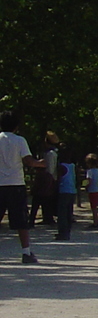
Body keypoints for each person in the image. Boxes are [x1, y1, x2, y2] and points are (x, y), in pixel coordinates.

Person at [0, 111, 41, 264]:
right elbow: (28, 161)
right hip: (16, 183)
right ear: (16, 126)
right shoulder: (20, 141)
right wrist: (40, 163)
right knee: (21, 220)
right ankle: (26, 252)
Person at [53, 150, 76, 240]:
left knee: (62, 213)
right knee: (69, 213)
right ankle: (68, 231)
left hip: (63, 191)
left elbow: (58, 179)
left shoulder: (61, 167)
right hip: (72, 191)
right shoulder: (73, 166)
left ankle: (62, 232)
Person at [83, 153, 98, 229]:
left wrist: (86, 187)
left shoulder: (90, 171)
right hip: (97, 190)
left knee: (93, 207)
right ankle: (96, 221)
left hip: (92, 191)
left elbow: (89, 181)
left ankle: (95, 222)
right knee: (96, 206)